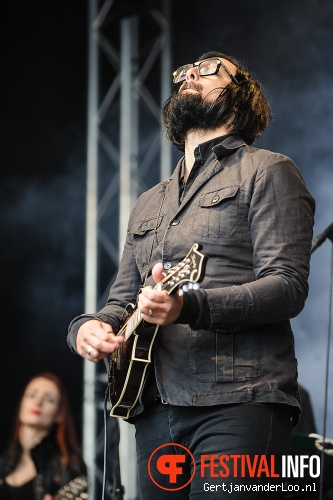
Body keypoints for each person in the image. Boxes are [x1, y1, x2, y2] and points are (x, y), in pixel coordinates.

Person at [67, 51, 315, 498]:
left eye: (208, 70)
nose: (189, 76)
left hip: (240, 398)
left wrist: (189, 306)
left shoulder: (268, 170)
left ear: (239, 102)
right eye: (184, 71)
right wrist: (88, 328)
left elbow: (288, 286)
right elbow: (122, 298)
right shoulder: (149, 201)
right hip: (155, 405)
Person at [0, 372, 87, 499]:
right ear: (21, 404)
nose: (38, 402)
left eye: (49, 400)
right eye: (31, 395)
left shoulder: (68, 466)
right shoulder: (3, 463)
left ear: (59, 414)